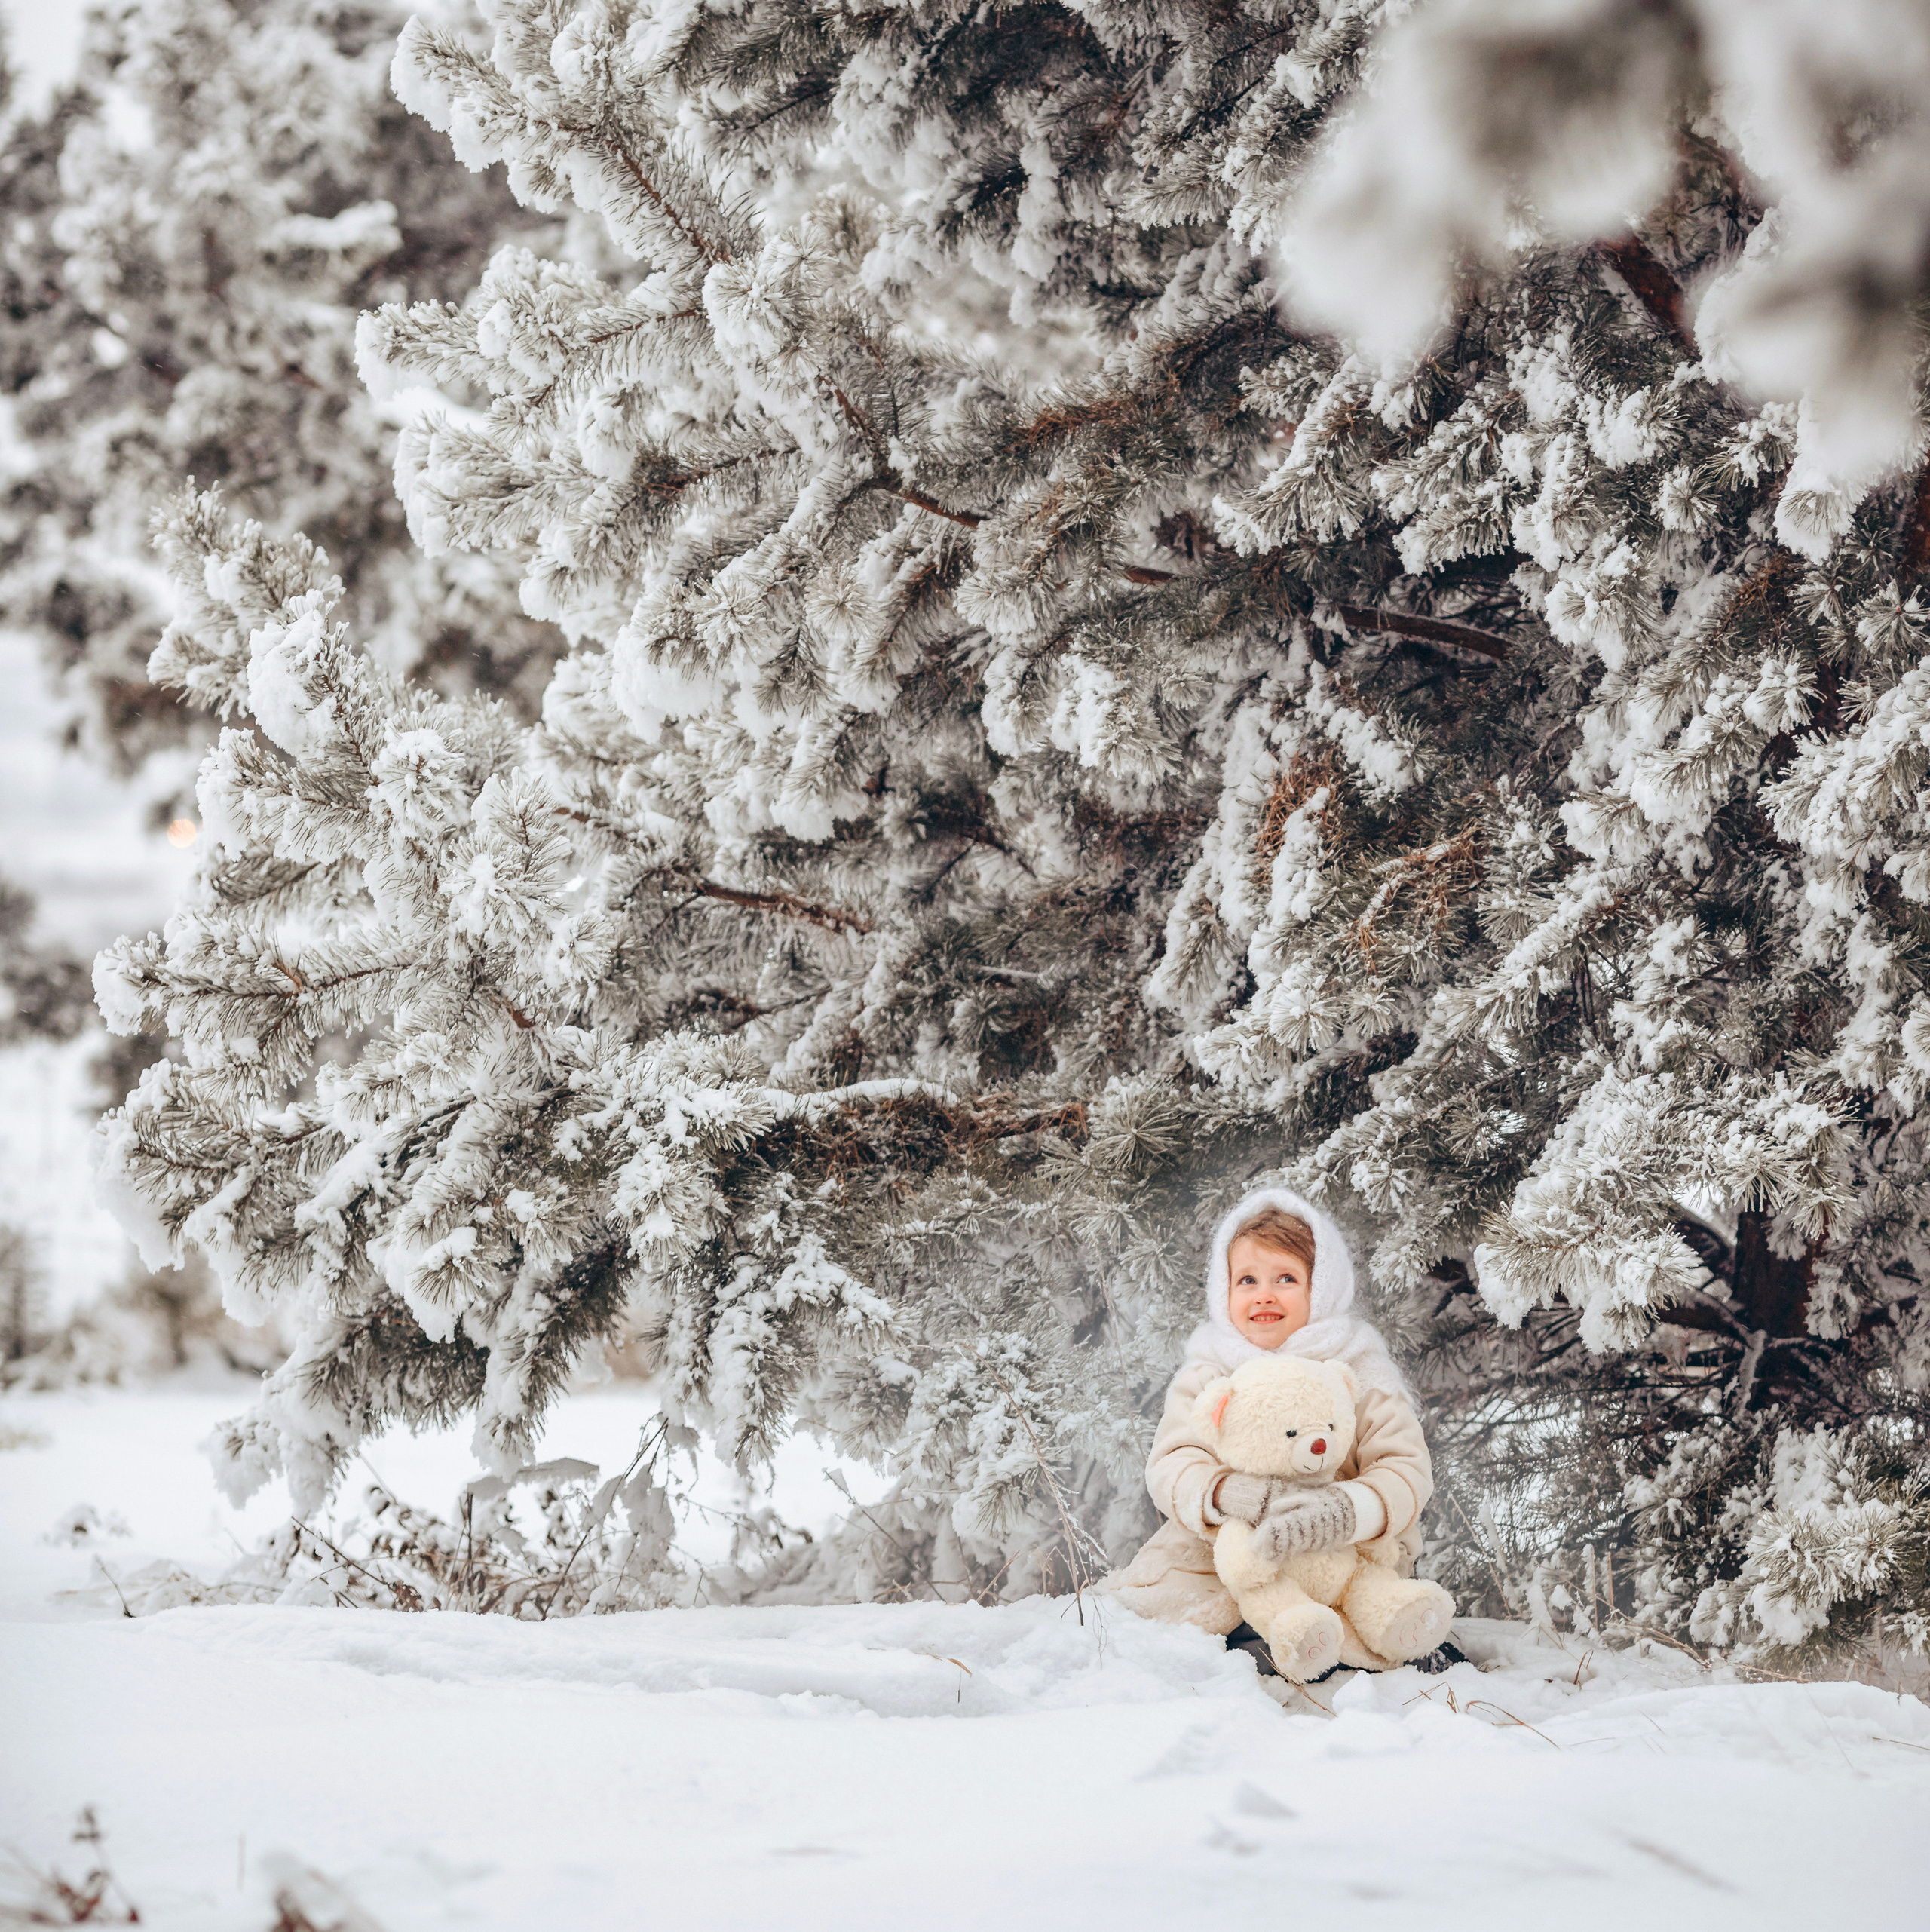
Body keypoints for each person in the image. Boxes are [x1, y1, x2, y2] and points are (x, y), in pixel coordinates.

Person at [1100, 1185, 1441, 1676]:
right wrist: (1226, 1494)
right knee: (1173, 1601)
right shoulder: (1210, 1369)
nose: (1264, 1294)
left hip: (1338, 1548)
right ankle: (1249, 1634)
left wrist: (1346, 1511)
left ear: (1319, 1288)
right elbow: (1174, 1463)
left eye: (1286, 1278)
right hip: (1231, 1544)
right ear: (1224, 1290)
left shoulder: (1358, 1367)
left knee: (1363, 1600)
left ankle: (1358, 1633)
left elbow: (1405, 1467)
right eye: (1247, 1280)